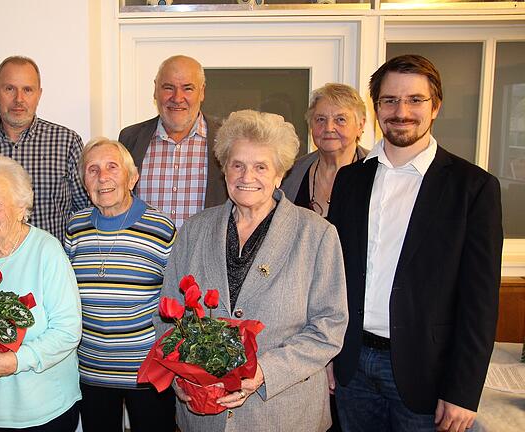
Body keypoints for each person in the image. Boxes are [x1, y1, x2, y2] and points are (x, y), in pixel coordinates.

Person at [328, 54, 503, 432]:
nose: (401, 110)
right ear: (376, 108)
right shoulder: (349, 181)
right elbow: (332, 276)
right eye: (389, 100)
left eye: (414, 100)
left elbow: (481, 300)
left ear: (435, 106)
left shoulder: (473, 188)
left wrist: (463, 390)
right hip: (351, 367)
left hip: (427, 375)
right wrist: (328, 356)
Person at [157, 110, 348, 431]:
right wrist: (180, 374)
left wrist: (264, 372)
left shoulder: (316, 235)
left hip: (283, 413)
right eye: (238, 165)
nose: (247, 177)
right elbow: (167, 316)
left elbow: (329, 328)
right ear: (224, 169)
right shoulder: (195, 230)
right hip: (206, 414)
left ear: (279, 174)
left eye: (261, 166)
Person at [0, 154, 82, 431]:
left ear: (21, 208)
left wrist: (14, 361)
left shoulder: (46, 251)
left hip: (42, 408)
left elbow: (68, 330)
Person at [65, 138, 177, 432]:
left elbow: (178, 302)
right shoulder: (74, 229)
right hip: (91, 372)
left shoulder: (162, 228)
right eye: (92, 169)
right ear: (84, 182)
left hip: (148, 372)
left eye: (112, 167)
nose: (103, 177)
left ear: (133, 177)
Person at [0, 56, 90, 243]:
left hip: (49, 263)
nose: (18, 99)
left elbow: (85, 209)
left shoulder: (66, 142)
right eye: (9, 89)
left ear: (39, 94)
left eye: (27, 90)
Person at [118, 55, 228, 228]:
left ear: (202, 91)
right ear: (155, 90)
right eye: (168, 88)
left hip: (204, 254)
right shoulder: (130, 139)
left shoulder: (225, 138)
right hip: (147, 253)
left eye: (188, 88)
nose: (177, 98)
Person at [281, 83, 368, 218]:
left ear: (360, 125)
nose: (328, 128)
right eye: (320, 119)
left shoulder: (377, 172)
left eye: (340, 119)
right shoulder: (289, 174)